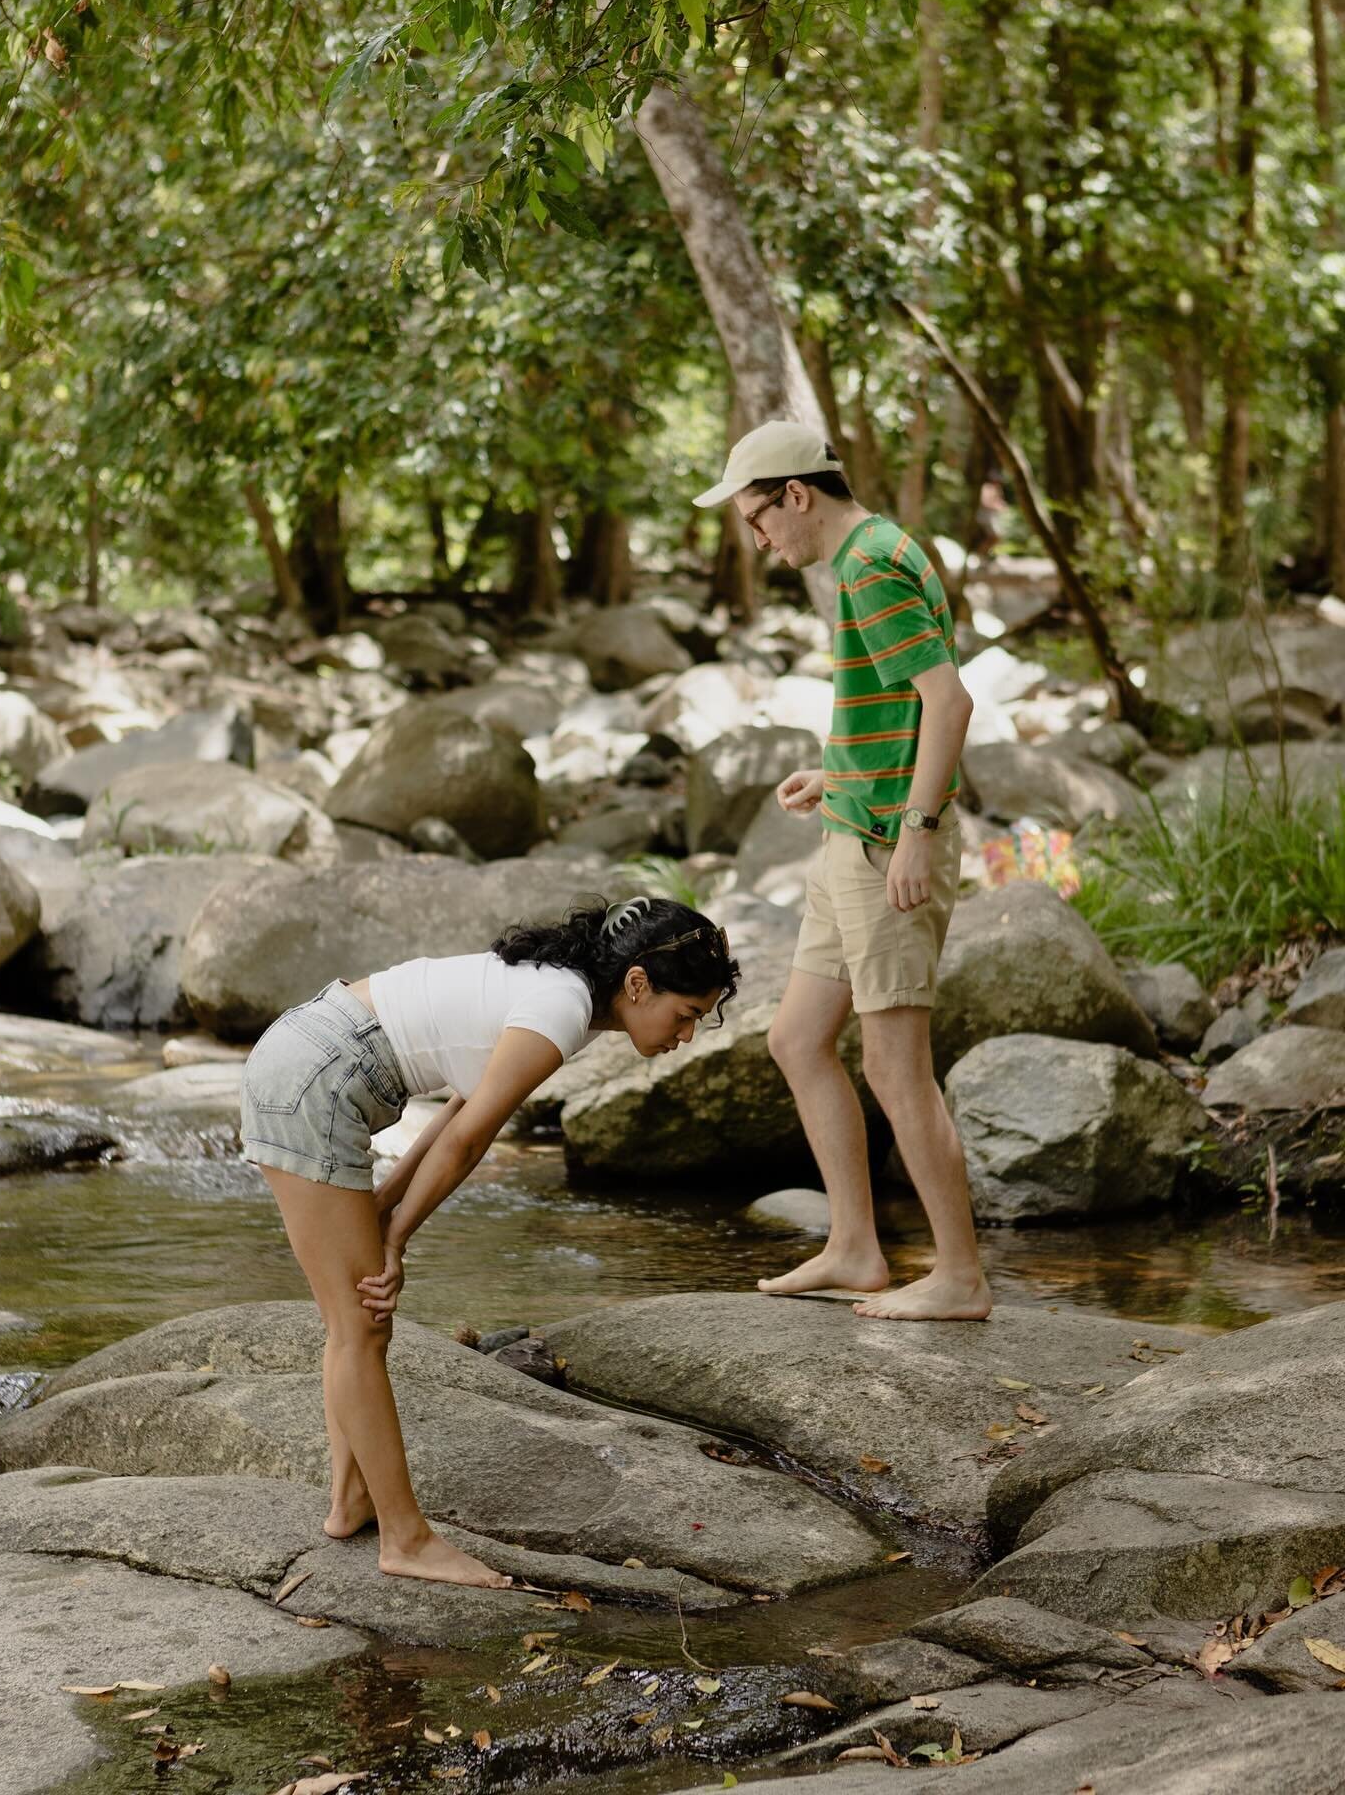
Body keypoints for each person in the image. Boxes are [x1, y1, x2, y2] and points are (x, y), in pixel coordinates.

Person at [239, 897, 739, 1588]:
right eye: (686, 1014)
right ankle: (405, 1540)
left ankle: (353, 1502)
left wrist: (388, 1211)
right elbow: (472, 1137)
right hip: (316, 1079)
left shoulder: (570, 998)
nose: (686, 1035)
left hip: (314, 1057)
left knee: (360, 1324)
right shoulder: (562, 1007)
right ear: (638, 984)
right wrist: (395, 1240)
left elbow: (459, 1108)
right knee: (358, 1324)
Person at [694, 419, 991, 1322]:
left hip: (881, 850)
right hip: (850, 829)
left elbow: (951, 700)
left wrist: (918, 831)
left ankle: (960, 1278)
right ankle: (857, 1248)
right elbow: (907, 703)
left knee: (898, 1071)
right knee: (796, 1040)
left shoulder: (867, 567)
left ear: (797, 494)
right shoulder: (876, 550)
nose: (757, 538)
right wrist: (844, 775)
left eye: (757, 517)